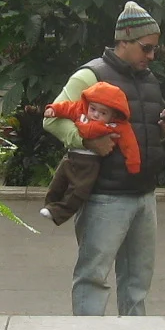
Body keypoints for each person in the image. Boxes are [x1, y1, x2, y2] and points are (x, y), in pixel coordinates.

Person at [43, 2, 165, 315]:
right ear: (124, 40)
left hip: (144, 195)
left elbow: (139, 133)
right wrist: (87, 141)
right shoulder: (90, 75)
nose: (151, 57)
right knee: (93, 277)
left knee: (137, 281)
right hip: (104, 197)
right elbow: (51, 118)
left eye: (154, 50)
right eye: (146, 49)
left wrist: (164, 128)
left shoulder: (147, 79)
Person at [37, 81, 138, 225]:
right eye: (93, 109)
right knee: (58, 181)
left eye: (103, 113)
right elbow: (67, 107)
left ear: (113, 115)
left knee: (79, 190)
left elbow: (130, 143)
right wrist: (53, 109)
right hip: (71, 156)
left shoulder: (117, 126)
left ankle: (59, 212)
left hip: (90, 162)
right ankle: (50, 204)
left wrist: (133, 163)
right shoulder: (81, 110)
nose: (96, 115)